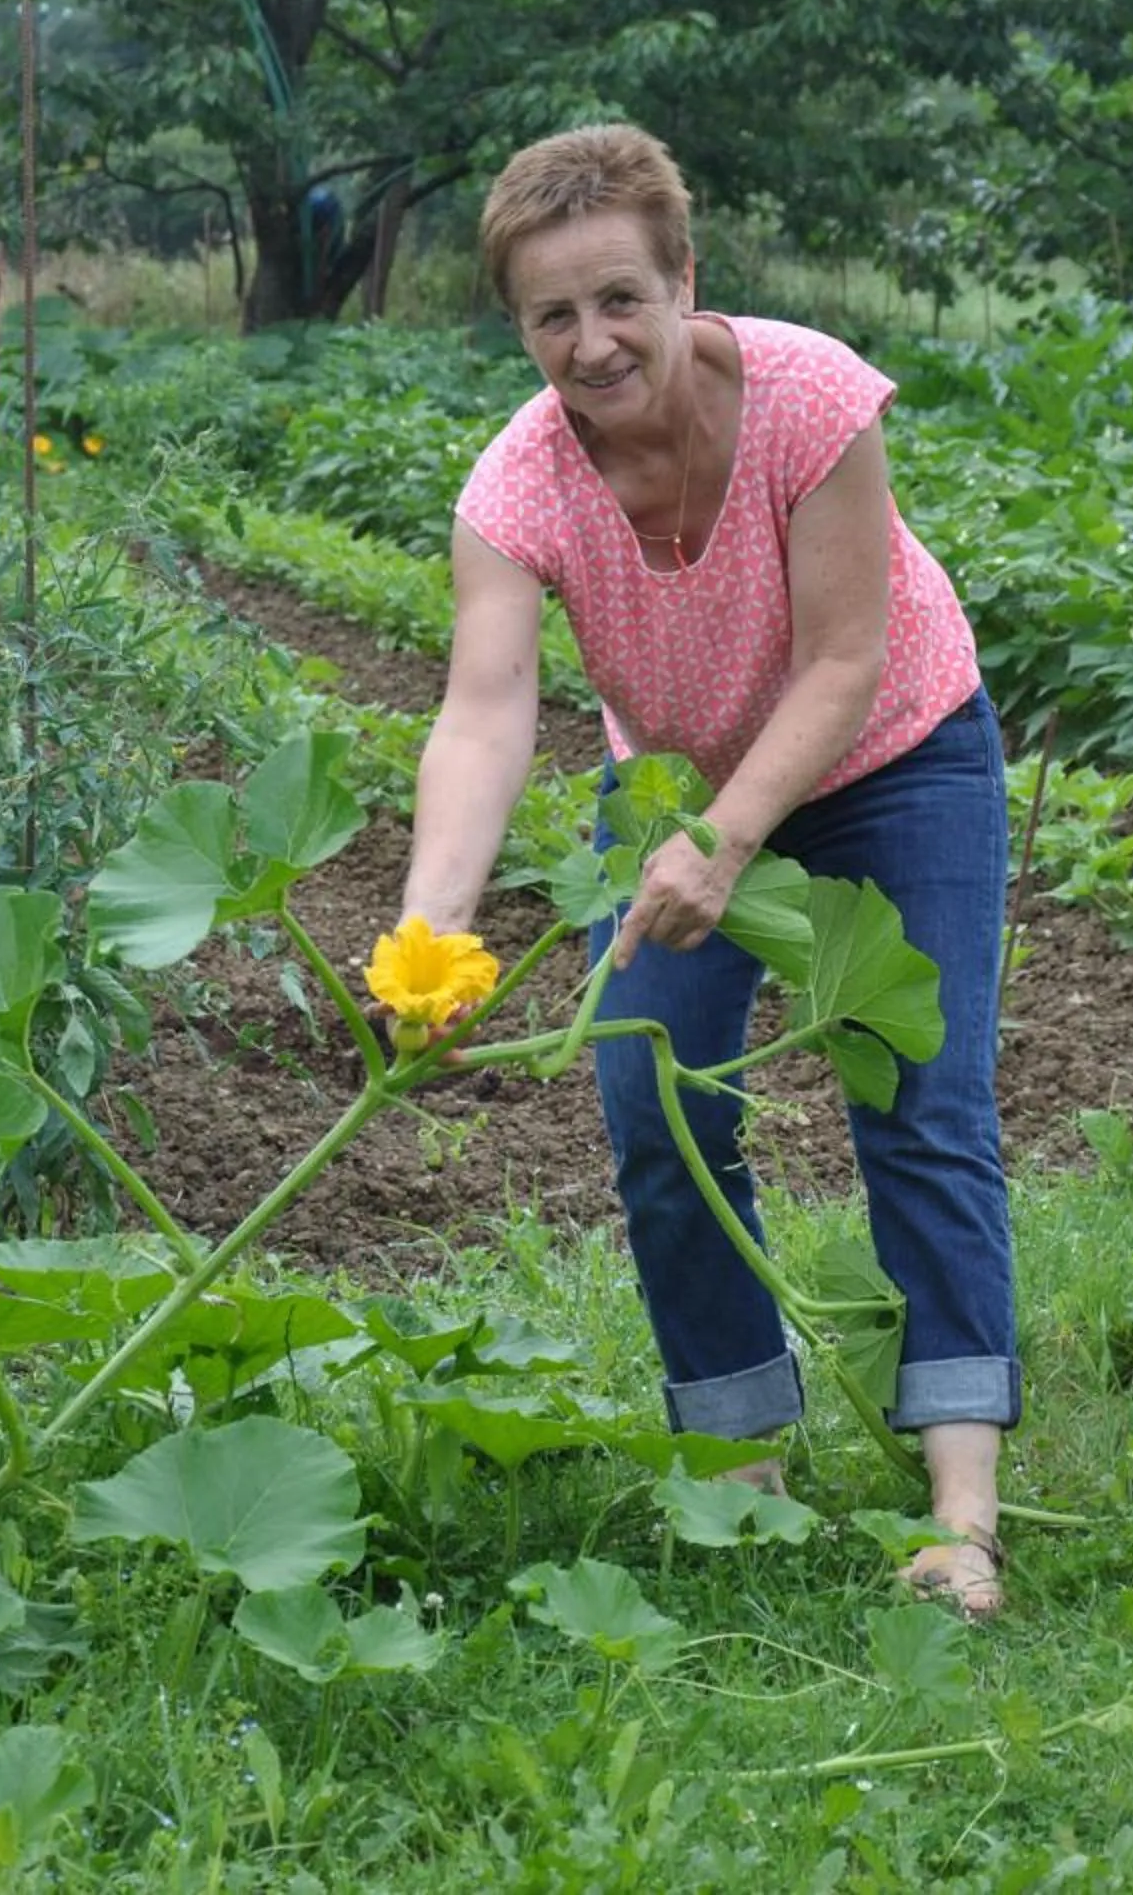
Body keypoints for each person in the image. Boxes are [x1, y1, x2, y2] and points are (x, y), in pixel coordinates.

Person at [397, 124, 1018, 1617]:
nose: (594, 343)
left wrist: (728, 841)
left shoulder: (810, 400)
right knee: (655, 1100)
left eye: (622, 299)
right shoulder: (517, 486)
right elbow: (484, 713)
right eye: (554, 315)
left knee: (916, 1096)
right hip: (672, 783)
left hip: (892, 758)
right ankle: (743, 1480)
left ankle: (964, 1517)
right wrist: (430, 927)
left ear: (685, 278)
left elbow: (846, 659)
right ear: (520, 327)